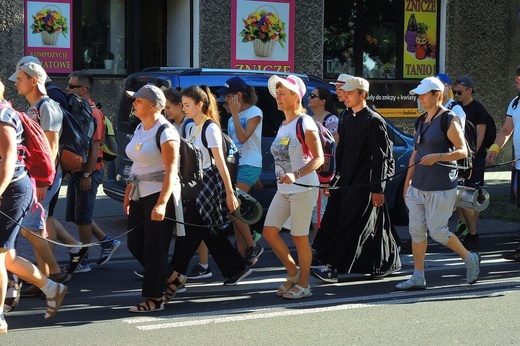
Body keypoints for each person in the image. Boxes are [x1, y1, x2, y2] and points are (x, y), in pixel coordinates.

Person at [164, 85, 251, 302]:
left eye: (186, 105)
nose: (183, 109)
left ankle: (176, 274)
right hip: (196, 184)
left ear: (199, 105)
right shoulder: (191, 127)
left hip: (209, 184)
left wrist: (230, 192)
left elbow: (220, 162)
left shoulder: (209, 128)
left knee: (192, 228)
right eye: (182, 105)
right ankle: (235, 268)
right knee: (206, 229)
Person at [395, 77, 481, 291]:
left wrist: (439, 156)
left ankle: (469, 258)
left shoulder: (448, 119)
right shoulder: (421, 120)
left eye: (424, 94)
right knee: (416, 232)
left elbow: (464, 151)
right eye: (419, 95)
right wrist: (407, 183)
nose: (420, 98)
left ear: (438, 95)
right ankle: (417, 276)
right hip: (418, 187)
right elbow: (416, 153)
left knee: (439, 233)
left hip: (441, 187)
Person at [312, 76, 401, 283]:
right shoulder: (346, 117)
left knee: (350, 223)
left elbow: (381, 157)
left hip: (365, 183)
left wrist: (377, 189)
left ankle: (333, 267)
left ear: (363, 95)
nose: (346, 96)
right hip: (347, 180)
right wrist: (334, 179)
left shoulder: (374, 121)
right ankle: (384, 262)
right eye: (346, 92)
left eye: (351, 92)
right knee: (366, 224)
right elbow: (341, 151)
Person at [0, 78, 67, 330]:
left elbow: (7, 161)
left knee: (0, 255)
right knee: (8, 256)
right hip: (12, 190)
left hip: (13, 191)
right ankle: (52, 287)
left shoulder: (4, 116)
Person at [12, 62, 70, 298]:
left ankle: (54, 274)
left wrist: (44, 181)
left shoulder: (48, 107)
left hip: (43, 177)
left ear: (34, 81)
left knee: (30, 230)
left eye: (19, 79)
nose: (15, 83)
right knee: (33, 229)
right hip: (35, 176)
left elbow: (51, 147)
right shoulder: (32, 107)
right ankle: (44, 280)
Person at [263, 74, 323, 299]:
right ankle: (293, 272)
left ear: (295, 96)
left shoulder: (304, 122)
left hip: (303, 187)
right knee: (269, 232)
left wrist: (295, 173)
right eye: (277, 93)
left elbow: (318, 159)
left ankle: (305, 284)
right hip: (285, 189)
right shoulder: (283, 124)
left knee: (299, 238)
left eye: (282, 93)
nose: (277, 97)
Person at [124, 85, 180, 312]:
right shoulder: (139, 127)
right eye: (134, 100)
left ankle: (154, 299)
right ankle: (172, 276)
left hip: (158, 194)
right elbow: (136, 164)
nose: (134, 103)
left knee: (154, 247)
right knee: (135, 243)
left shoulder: (166, 131)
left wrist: (162, 203)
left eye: (138, 100)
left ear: (153, 105)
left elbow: (172, 170)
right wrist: (128, 192)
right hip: (139, 193)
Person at [64, 71, 121, 273]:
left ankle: (83, 261)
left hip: (89, 172)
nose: (67, 89)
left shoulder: (93, 113)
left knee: (83, 217)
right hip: (78, 171)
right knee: (78, 216)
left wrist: (87, 175)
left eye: (71, 86)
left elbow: (95, 147)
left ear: (83, 89)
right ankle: (106, 242)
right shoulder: (80, 110)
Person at [217, 76, 264, 266]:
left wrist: (235, 115)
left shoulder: (255, 111)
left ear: (238, 95)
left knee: (233, 207)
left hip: (250, 164)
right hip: (238, 165)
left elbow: (244, 138)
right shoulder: (230, 119)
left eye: (227, 96)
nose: (225, 100)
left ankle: (252, 245)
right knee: (235, 211)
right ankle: (242, 251)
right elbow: (232, 148)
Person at [453, 76, 491, 250]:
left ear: (470, 90)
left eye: (460, 92)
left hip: (474, 159)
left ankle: (472, 233)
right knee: (458, 196)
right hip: (459, 158)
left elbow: (480, 135)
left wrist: (472, 157)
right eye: (455, 92)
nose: (457, 95)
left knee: (471, 196)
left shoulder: (478, 109)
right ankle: (464, 224)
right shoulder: (455, 107)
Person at [487, 66, 520, 261]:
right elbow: (507, 130)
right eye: (516, 82)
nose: (517, 85)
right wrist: (494, 149)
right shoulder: (515, 104)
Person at [436, 73, 470, 239]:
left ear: (448, 88)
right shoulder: (436, 109)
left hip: (452, 161)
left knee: (457, 198)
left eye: (440, 85)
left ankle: (469, 231)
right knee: (454, 200)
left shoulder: (455, 109)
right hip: (440, 162)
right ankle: (460, 225)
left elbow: (459, 137)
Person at [307, 86, 339, 240]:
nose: (309, 98)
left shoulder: (331, 120)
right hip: (308, 170)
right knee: (312, 208)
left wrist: (326, 177)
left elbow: (333, 149)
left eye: (312, 96)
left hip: (323, 173)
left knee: (319, 210)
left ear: (322, 101)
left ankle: (319, 247)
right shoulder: (307, 119)